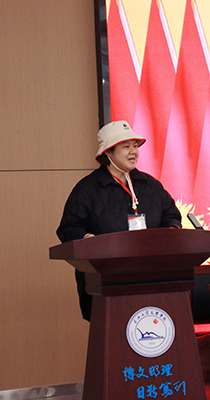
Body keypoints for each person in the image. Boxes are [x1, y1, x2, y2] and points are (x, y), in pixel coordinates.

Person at [57, 121, 182, 321]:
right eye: (126, 146)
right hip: (105, 282)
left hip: (152, 278)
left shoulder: (150, 185)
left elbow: (171, 214)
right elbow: (68, 228)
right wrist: (86, 238)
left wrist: (171, 229)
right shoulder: (88, 189)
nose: (133, 151)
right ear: (108, 152)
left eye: (135, 146)